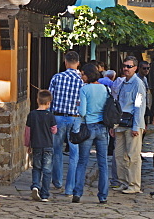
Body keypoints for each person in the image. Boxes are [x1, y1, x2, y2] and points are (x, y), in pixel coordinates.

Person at [72, 62, 111, 204]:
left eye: (82, 74)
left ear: (87, 75)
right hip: (102, 127)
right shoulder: (105, 89)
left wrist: (79, 106)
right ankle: (103, 195)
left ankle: (77, 192)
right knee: (103, 163)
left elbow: (82, 111)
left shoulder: (85, 89)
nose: (81, 76)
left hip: (87, 127)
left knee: (82, 161)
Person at [48, 50, 84, 196]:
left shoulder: (57, 78)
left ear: (65, 62)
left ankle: (57, 181)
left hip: (58, 117)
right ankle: (70, 188)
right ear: (78, 63)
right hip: (75, 118)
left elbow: (50, 99)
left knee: (56, 150)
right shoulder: (82, 80)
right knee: (74, 153)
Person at [112, 56, 146, 194]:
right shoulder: (122, 83)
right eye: (124, 66)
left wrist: (136, 126)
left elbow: (139, 106)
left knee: (133, 156)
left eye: (129, 66)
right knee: (119, 155)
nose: (126, 68)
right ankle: (123, 181)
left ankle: (134, 184)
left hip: (132, 123)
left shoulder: (138, 84)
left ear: (135, 68)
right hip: (120, 123)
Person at [24, 89, 58, 202]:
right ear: (49, 103)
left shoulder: (32, 115)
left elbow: (27, 131)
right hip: (48, 145)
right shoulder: (50, 116)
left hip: (36, 145)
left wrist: (28, 144)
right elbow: (54, 130)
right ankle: (45, 194)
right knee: (47, 170)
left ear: (37, 100)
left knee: (36, 168)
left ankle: (35, 186)